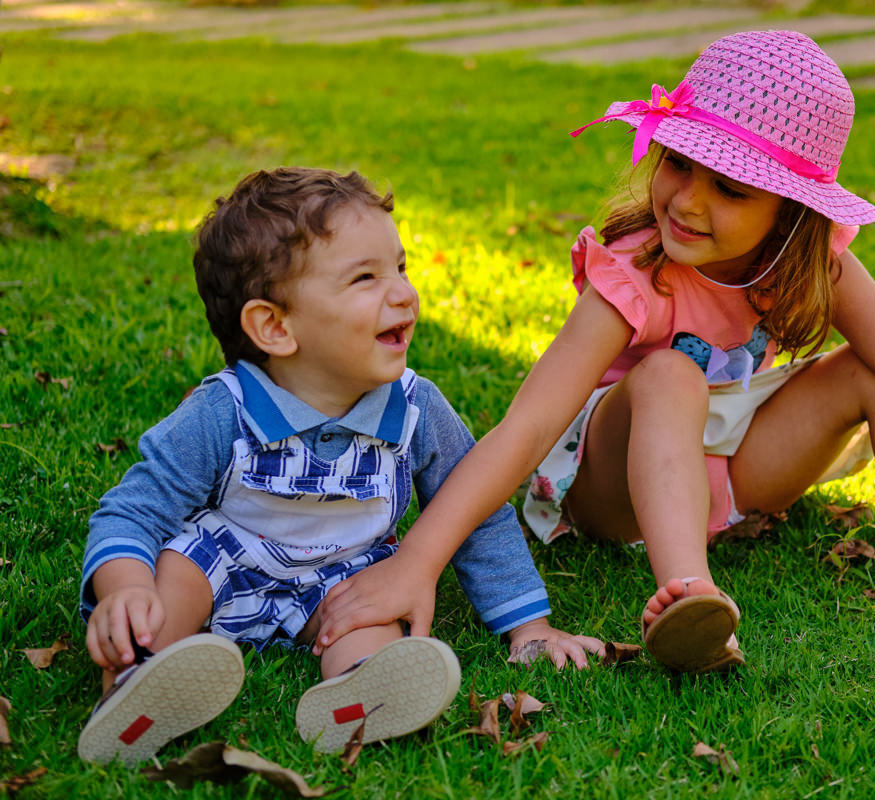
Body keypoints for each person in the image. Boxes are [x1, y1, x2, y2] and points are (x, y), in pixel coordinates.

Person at [313, 32, 875, 674]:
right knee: (670, 370)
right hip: (609, 486)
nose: (686, 200)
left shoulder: (815, 262)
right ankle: (689, 594)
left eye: (730, 186)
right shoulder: (635, 273)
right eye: (681, 163)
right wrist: (418, 561)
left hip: (728, 469)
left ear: (792, 210)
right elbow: (526, 427)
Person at [77, 167, 603, 765]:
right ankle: (140, 682)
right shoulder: (225, 411)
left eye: (400, 268)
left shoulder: (414, 408)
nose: (403, 293)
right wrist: (124, 588)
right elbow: (135, 508)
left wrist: (527, 625)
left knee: (373, 627)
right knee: (175, 577)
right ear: (275, 326)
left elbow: (475, 511)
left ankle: (359, 694)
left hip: (346, 581)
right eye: (365, 278)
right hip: (226, 563)